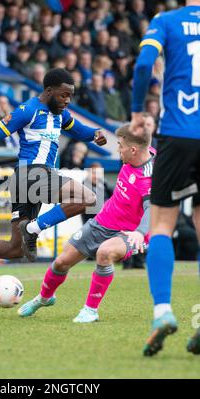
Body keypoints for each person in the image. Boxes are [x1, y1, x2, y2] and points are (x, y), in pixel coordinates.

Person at [0, 68, 107, 277]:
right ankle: (33, 229)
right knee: (88, 197)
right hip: (32, 174)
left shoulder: (60, 114)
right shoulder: (28, 110)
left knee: (15, 249)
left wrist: (95, 134)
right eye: (64, 95)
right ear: (49, 91)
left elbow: (80, 131)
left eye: (70, 96)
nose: (67, 100)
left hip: (30, 180)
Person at [18, 124, 154, 322]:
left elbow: (152, 208)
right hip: (103, 221)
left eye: (120, 145)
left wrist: (141, 233)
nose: (118, 149)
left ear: (133, 150)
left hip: (131, 232)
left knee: (104, 253)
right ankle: (44, 298)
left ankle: (90, 310)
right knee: (61, 262)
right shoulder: (142, 152)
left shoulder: (148, 178)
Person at [130, 0, 200, 356]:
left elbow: (144, 64)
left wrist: (137, 111)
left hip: (178, 133)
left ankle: (162, 312)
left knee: (161, 225)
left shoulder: (167, 21)